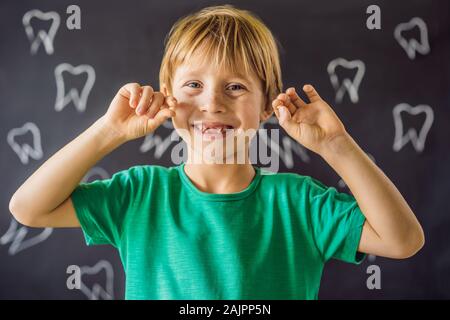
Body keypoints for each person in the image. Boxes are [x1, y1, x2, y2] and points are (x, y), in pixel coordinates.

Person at [9, 5, 424, 299]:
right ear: (169, 99)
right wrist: (108, 131)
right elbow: (29, 209)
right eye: (193, 86)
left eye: (236, 87)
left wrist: (337, 145)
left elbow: (403, 240)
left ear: (266, 107)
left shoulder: (300, 202)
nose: (212, 103)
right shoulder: (138, 194)